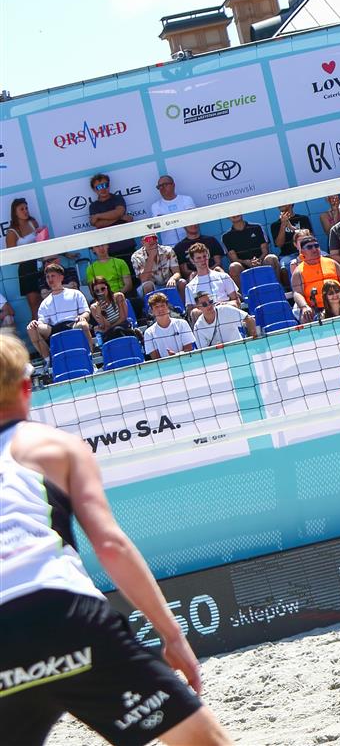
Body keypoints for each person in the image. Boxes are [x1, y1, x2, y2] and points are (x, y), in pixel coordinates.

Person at [0, 334, 233, 744]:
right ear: (26, 385)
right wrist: (172, 635)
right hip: (64, 613)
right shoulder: (55, 445)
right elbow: (110, 545)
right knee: (203, 740)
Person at [26, 264, 91, 361]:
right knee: (31, 328)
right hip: (54, 329)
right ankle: (49, 361)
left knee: (83, 324)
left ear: (61, 277)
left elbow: (86, 312)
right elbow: (42, 322)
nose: (50, 279)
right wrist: (35, 323)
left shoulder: (75, 293)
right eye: (48, 277)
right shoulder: (45, 302)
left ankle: (89, 356)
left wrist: (82, 317)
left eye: (53, 276)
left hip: (73, 324)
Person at [291, 231, 340, 317]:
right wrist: (304, 307)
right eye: (309, 247)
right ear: (302, 252)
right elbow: (297, 293)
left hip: (339, 303)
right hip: (316, 309)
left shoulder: (332, 262)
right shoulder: (298, 271)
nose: (314, 249)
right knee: (305, 317)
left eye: (316, 246)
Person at [6, 197, 45, 325]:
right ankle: (36, 334)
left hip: (40, 265)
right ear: (15, 212)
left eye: (26, 208)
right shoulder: (11, 232)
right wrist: (28, 253)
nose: (25, 211)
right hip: (26, 270)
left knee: (45, 301)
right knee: (34, 305)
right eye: (21, 209)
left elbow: (43, 243)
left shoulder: (33, 222)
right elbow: (11, 258)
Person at [86, 172, 136, 260]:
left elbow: (119, 212)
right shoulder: (93, 206)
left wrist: (98, 216)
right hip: (110, 250)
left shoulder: (118, 198)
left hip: (128, 245)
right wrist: (120, 217)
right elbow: (98, 224)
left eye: (105, 185)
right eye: (99, 187)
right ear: (94, 190)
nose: (103, 189)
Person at [222, 214, 280, 288]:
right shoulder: (226, 236)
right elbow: (234, 259)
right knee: (234, 266)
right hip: (243, 267)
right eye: (231, 213)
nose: (234, 214)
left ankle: (278, 288)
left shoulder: (257, 227)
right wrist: (246, 262)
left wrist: (259, 260)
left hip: (261, 262)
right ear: (227, 216)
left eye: (236, 211)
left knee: (271, 258)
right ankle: (243, 295)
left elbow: (265, 251)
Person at [183, 243, 240, 317]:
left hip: (226, 312)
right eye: (199, 258)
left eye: (204, 256)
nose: (203, 260)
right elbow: (191, 311)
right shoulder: (190, 286)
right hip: (206, 318)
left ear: (208, 256)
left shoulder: (223, 276)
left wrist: (225, 304)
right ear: (192, 260)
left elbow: (237, 301)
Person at [191, 290, 257, 349]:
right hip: (218, 356)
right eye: (204, 304)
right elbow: (203, 351)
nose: (209, 305)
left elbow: (249, 319)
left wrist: (251, 340)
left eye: (211, 301)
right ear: (198, 307)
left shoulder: (225, 309)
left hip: (239, 349)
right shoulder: (198, 327)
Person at [142, 292, 196, 359]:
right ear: (151, 311)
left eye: (162, 305)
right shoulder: (148, 333)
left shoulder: (182, 324)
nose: (160, 309)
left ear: (167, 307)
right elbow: (156, 359)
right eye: (156, 307)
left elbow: (189, 349)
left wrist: (176, 355)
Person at [130, 234, 184, 299]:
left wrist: (173, 279)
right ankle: (150, 305)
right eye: (148, 239)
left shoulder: (168, 250)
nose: (152, 241)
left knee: (182, 282)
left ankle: (185, 305)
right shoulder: (136, 256)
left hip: (168, 283)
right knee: (148, 285)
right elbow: (144, 279)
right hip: (151, 286)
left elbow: (177, 273)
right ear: (142, 242)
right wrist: (152, 255)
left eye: (154, 238)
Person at [149, 175, 196, 247]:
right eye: (159, 186)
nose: (162, 188)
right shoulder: (155, 206)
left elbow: (191, 219)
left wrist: (166, 219)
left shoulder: (186, 199)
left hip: (190, 242)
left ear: (173, 185)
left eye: (165, 185)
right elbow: (158, 226)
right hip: (169, 246)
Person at [87, 278, 137, 344]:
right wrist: (100, 313)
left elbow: (123, 318)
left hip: (124, 327)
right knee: (114, 332)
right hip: (109, 333)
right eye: (97, 291)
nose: (100, 292)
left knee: (117, 330)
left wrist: (108, 328)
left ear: (107, 287)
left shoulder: (118, 297)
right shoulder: (94, 308)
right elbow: (106, 325)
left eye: (103, 289)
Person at [271, 204, 313, 281]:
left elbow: (310, 238)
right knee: (285, 267)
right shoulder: (275, 225)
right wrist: (283, 225)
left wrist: (291, 227)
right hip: (287, 255)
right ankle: (294, 287)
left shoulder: (303, 219)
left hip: (307, 251)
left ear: (290, 203)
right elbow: (279, 244)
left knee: (326, 256)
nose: (279, 204)